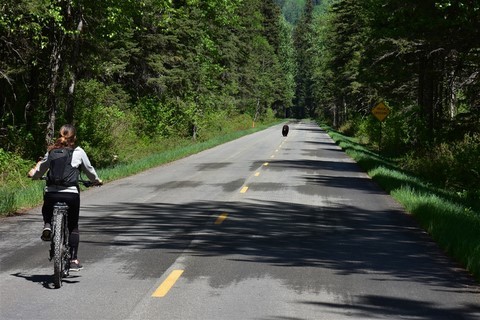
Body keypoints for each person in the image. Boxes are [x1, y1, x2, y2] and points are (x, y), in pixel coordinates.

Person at [28, 124, 102, 271]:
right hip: (71, 194)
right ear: (74, 137)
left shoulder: (52, 151)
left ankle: (48, 224)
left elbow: (40, 169)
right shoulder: (79, 152)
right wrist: (96, 180)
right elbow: (89, 170)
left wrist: (34, 175)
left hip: (52, 193)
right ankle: (73, 260)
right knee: (73, 226)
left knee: (47, 207)